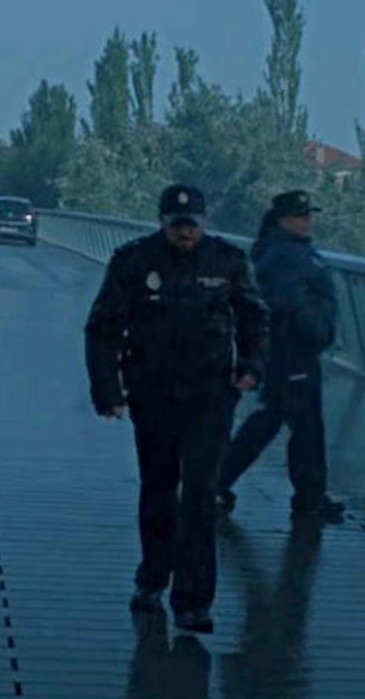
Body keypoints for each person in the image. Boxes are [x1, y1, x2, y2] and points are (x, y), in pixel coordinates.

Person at [85, 184, 267, 633]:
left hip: (209, 398)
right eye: (176, 224)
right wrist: (107, 390)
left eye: (192, 224)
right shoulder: (134, 262)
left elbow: (253, 318)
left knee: (201, 497)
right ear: (162, 222)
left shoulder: (227, 262)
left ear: (204, 223)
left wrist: (251, 366)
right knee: (159, 492)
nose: (185, 232)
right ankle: (152, 580)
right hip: (154, 395)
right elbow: (103, 329)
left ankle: (194, 602)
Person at [217, 189, 345, 524]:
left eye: (308, 214)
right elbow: (290, 304)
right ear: (282, 219)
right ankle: (308, 499)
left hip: (288, 351)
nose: (307, 220)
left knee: (275, 419)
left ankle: (219, 482)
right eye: (300, 215)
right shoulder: (285, 255)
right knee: (302, 427)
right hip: (293, 351)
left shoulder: (283, 251)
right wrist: (317, 332)